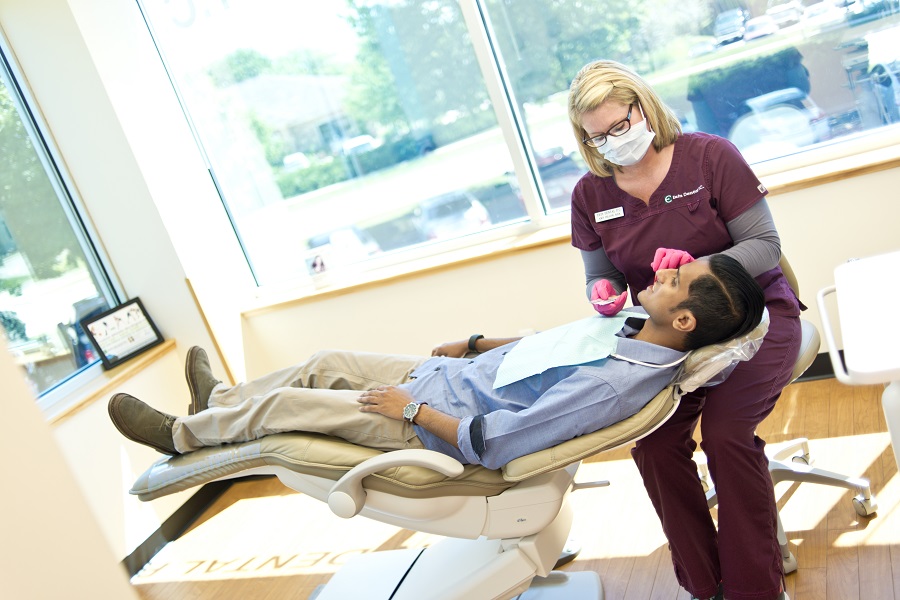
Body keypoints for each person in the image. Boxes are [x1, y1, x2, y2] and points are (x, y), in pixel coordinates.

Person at [109, 255, 763, 474]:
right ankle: (219, 402)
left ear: (684, 322)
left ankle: (180, 436)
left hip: (426, 421)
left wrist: (410, 409)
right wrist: (479, 344)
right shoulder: (630, 327)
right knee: (322, 361)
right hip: (450, 378)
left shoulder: (618, 384)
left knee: (285, 411)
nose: (669, 268)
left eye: (680, 279)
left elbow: (499, 441)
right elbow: (549, 348)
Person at [567, 59, 802, 600]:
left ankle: (756, 589)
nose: (612, 142)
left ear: (643, 109)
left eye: (619, 127)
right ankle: (706, 585)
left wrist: (699, 264)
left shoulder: (711, 157)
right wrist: (602, 294)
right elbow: (600, 275)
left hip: (750, 316)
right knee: (654, 445)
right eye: (597, 136)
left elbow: (765, 246)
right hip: (671, 334)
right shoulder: (590, 194)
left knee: (725, 435)